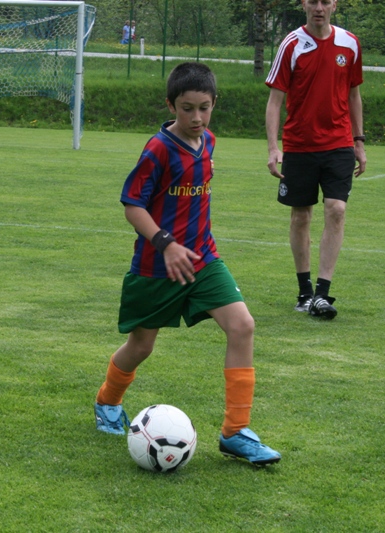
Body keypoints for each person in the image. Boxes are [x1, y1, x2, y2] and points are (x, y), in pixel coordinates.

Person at [93, 62, 281, 467]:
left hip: (203, 259)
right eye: (187, 108)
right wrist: (166, 244)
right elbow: (132, 205)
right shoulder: (158, 149)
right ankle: (107, 401)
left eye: (204, 108)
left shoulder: (209, 141)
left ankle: (235, 432)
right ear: (170, 105)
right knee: (141, 346)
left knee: (243, 325)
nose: (197, 118)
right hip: (156, 266)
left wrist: (188, 245)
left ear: (214, 104)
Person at [265, 0, 366, 320]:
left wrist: (359, 142)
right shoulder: (291, 44)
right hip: (299, 145)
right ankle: (304, 292)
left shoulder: (350, 43)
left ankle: (322, 294)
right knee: (301, 217)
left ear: (334, 4)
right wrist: (273, 148)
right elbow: (275, 101)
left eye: (324, 1)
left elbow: (354, 95)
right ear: (303, 4)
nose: (318, 7)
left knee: (337, 209)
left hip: (339, 144)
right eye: (312, 1)